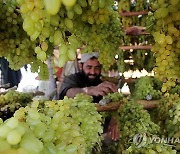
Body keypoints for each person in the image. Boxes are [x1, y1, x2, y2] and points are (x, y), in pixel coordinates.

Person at [59, 52, 119, 141]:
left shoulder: (102, 83)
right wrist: (90, 90)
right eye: (89, 67)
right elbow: (69, 92)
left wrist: (114, 119)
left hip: (95, 134)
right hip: (71, 133)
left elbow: (113, 104)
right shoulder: (72, 79)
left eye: (97, 68)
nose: (93, 72)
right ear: (81, 66)